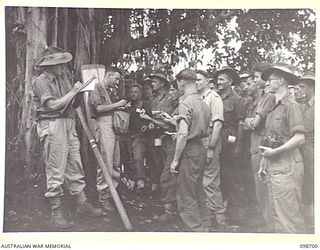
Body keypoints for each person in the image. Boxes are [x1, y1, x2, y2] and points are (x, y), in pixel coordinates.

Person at [33, 46, 103, 229]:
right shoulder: (41, 81)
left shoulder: (63, 79)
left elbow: (72, 102)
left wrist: (79, 93)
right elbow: (53, 105)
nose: (63, 67)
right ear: (50, 65)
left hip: (68, 123)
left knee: (74, 163)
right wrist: (72, 92)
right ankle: (56, 212)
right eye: (60, 64)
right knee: (56, 167)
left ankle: (82, 203)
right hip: (53, 124)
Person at [259, 63, 306, 233]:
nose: (267, 83)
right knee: (277, 216)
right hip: (274, 165)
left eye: (270, 80)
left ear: (281, 81)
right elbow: (271, 138)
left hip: (287, 166)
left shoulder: (290, 105)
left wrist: (276, 152)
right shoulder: (273, 105)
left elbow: (300, 138)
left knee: (289, 219)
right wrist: (264, 163)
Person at [170, 69, 210, 231]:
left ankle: (196, 230)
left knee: (186, 193)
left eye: (178, 83)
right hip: (200, 149)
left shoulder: (185, 103)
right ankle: (205, 224)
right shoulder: (203, 103)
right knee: (198, 190)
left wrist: (175, 160)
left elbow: (183, 133)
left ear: (182, 82)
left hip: (189, 150)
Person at [89, 67, 130, 212]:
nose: (117, 81)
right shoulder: (97, 87)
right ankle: (104, 197)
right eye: (116, 78)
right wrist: (118, 105)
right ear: (108, 75)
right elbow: (98, 108)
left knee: (115, 162)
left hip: (113, 125)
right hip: (103, 124)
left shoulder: (111, 91)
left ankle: (114, 193)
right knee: (105, 162)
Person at [214, 66, 248, 223]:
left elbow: (240, 125)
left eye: (221, 79)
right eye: (218, 79)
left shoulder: (238, 100)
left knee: (232, 177)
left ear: (230, 81)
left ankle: (238, 212)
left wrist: (238, 147)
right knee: (219, 176)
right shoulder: (216, 98)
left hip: (230, 142)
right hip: (217, 141)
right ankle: (222, 209)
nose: (218, 82)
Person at [195, 70, 227, 230]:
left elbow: (218, 124)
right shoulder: (195, 98)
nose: (197, 82)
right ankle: (207, 217)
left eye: (200, 80)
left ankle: (220, 219)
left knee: (210, 181)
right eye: (195, 80)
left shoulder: (213, 97)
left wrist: (211, 148)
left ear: (207, 81)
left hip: (209, 140)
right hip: (197, 141)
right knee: (200, 180)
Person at [148, 71, 175, 195]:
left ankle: (169, 192)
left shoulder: (172, 97)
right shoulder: (152, 98)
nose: (152, 84)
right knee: (156, 161)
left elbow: (173, 116)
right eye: (151, 82)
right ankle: (160, 190)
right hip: (155, 133)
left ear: (162, 83)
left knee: (167, 163)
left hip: (167, 133)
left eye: (155, 82)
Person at [127, 83, 154, 195]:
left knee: (151, 158)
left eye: (136, 92)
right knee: (134, 158)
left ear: (141, 94)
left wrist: (147, 125)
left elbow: (151, 119)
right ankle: (137, 182)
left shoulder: (146, 105)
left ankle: (148, 183)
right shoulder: (127, 106)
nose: (133, 94)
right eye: (131, 92)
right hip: (131, 137)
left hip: (146, 137)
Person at [298, 72, 315, 233]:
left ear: (311, 87)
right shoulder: (303, 106)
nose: (300, 89)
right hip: (303, 151)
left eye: (302, 86)